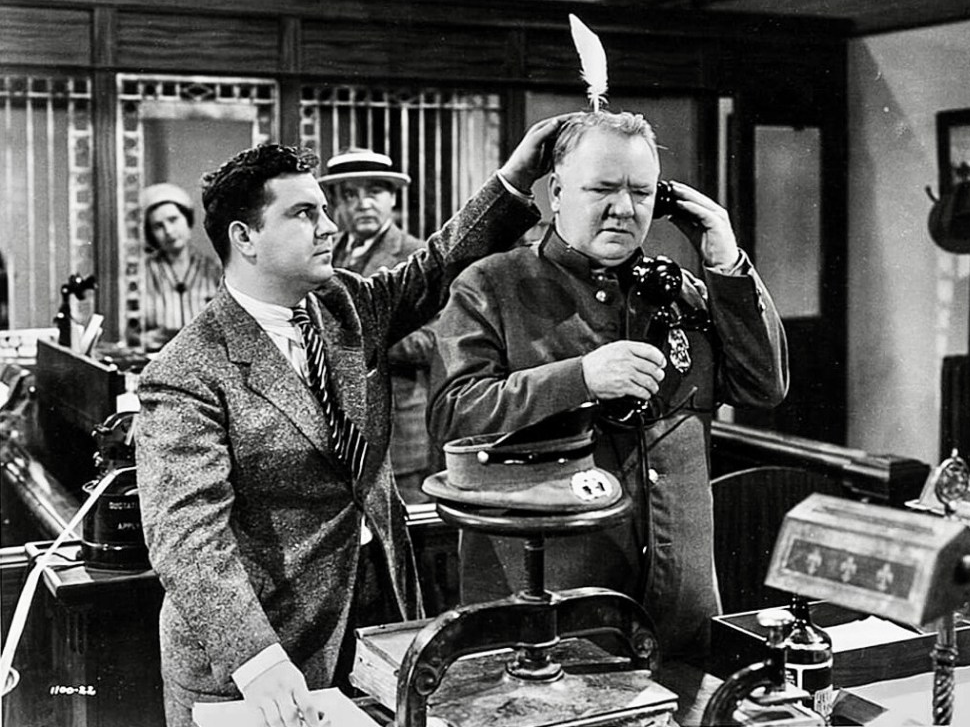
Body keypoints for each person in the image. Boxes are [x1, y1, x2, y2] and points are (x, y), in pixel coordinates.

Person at [134, 115, 565, 727]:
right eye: (304, 213)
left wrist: (516, 178)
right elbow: (186, 536)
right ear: (245, 237)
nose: (329, 226)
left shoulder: (345, 303)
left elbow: (437, 264)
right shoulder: (186, 370)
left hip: (376, 609)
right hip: (259, 650)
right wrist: (256, 658)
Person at [427, 110, 788, 662]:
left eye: (641, 193)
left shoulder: (681, 292)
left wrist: (726, 262)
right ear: (556, 192)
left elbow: (764, 386)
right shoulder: (492, 285)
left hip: (680, 608)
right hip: (551, 612)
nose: (624, 208)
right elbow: (454, 414)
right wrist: (581, 378)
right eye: (602, 189)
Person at [318, 150, 433, 504]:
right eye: (350, 194)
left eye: (374, 192)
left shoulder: (417, 256)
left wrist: (356, 339)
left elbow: (435, 339)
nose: (363, 203)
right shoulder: (325, 255)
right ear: (337, 204)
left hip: (398, 434)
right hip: (336, 436)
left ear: (393, 198)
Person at [139, 182, 222, 351]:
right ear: (151, 233)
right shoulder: (142, 274)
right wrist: (143, 339)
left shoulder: (214, 270)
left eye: (173, 220)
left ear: (187, 220)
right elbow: (130, 332)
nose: (168, 231)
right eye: (158, 226)